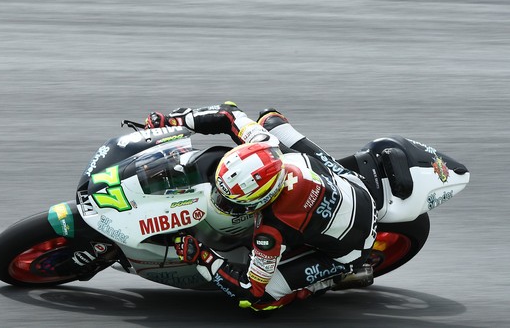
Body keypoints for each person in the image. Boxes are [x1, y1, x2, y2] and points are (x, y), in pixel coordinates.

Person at [144, 102, 378, 311]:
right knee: (268, 120)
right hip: (355, 184)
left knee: (261, 301)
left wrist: (202, 256)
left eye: (231, 203)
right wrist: (175, 122)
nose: (220, 200)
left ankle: (335, 278)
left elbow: (249, 288)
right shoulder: (264, 144)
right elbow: (229, 113)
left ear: (265, 199)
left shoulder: (270, 232)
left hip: (354, 247)